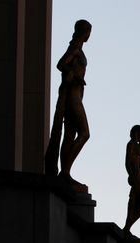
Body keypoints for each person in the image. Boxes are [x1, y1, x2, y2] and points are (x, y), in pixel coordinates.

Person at [45, 19, 92, 185]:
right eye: (88, 32)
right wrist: (76, 76)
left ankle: (66, 173)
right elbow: (61, 64)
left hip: (77, 93)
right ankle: (65, 170)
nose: (89, 36)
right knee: (85, 133)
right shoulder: (75, 49)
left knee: (70, 133)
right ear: (83, 32)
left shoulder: (77, 48)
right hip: (72, 93)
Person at [123, 125, 140, 235]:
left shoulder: (135, 144)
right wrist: (131, 175)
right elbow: (127, 162)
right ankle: (127, 226)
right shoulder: (131, 144)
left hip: (138, 175)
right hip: (135, 176)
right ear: (136, 132)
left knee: (137, 201)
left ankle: (128, 226)